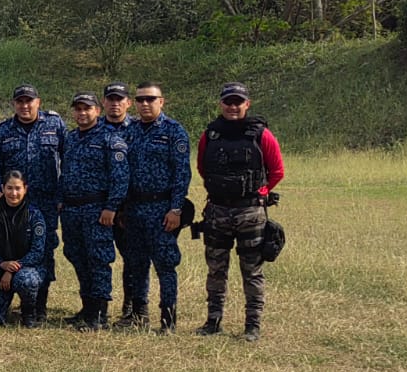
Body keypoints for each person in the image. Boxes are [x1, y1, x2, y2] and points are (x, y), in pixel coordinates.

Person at [195, 82, 284, 342]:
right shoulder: (210, 134)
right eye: (228, 102)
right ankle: (213, 321)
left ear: (247, 104)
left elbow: (277, 171)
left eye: (238, 102)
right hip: (218, 211)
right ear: (221, 104)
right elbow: (203, 168)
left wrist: (260, 193)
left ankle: (252, 325)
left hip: (250, 213)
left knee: (252, 271)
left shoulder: (261, 134)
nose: (233, 107)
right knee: (215, 269)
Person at [113, 82, 191, 333]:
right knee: (136, 264)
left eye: (150, 99)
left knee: (165, 266)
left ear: (161, 101)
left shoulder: (174, 131)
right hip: (134, 208)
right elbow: (122, 172)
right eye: (140, 99)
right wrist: (122, 207)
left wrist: (176, 209)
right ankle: (139, 315)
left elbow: (182, 174)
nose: (145, 104)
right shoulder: (130, 131)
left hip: (162, 209)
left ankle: (168, 320)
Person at [0, 84, 66, 325]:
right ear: (14, 104)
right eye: (20, 101)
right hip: (11, 201)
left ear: (38, 102)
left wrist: (62, 195)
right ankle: (3, 296)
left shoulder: (54, 125)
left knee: (44, 251)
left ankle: (37, 306)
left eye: (29, 101)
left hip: (45, 201)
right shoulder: (3, 130)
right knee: (8, 245)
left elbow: (69, 160)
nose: (25, 106)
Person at [59, 92, 129, 331]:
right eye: (78, 109)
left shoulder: (111, 138)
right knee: (77, 256)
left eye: (87, 108)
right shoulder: (70, 138)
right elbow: (64, 172)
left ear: (97, 111)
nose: (81, 113)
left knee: (98, 260)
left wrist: (112, 207)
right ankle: (87, 307)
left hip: (96, 209)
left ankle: (99, 314)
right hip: (71, 209)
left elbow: (120, 178)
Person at [0, 171, 47, 326]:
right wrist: (1, 264)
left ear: (25, 189)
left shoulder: (34, 215)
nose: (13, 193)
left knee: (26, 281)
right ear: (2, 188)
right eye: (9, 188)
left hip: (26, 268)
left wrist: (12, 268)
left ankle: (28, 313)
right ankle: (0, 310)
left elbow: (37, 252)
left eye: (18, 188)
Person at [100, 82, 141, 322]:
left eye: (120, 99)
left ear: (128, 102)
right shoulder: (93, 128)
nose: (115, 103)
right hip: (97, 206)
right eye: (111, 99)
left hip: (129, 207)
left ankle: (131, 306)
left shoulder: (138, 130)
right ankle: (96, 306)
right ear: (103, 102)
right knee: (98, 257)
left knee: (132, 258)